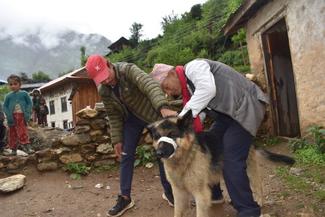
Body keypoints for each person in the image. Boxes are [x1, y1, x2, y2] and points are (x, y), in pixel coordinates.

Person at [161, 58, 269, 217]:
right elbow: (201, 111)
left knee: (231, 158)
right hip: (230, 115)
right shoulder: (189, 88)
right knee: (207, 143)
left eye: (167, 87)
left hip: (247, 106)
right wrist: (187, 125)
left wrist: (181, 118)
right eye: (166, 92)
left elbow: (207, 90)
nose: (169, 93)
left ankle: (249, 210)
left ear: (171, 73)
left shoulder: (193, 67)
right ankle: (215, 194)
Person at [85, 55, 176, 217]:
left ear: (109, 64)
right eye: (101, 79)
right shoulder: (104, 90)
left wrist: (162, 106)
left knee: (162, 154)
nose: (106, 81)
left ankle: (169, 192)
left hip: (152, 114)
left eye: (106, 76)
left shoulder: (128, 70)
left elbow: (150, 86)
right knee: (125, 155)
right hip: (130, 121)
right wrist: (116, 140)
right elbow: (113, 116)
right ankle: (125, 198)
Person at [3, 74, 34, 155]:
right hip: (11, 117)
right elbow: (5, 106)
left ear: (20, 84)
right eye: (11, 84)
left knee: (22, 131)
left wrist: (27, 112)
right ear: (8, 85)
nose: (13, 86)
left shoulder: (24, 94)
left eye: (15, 84)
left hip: (21, 116)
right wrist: (8, 114)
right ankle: (13, 150)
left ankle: (27, 147)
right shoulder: (8, 96)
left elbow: (29, 103)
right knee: (12, 133)